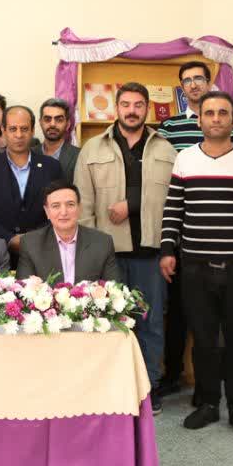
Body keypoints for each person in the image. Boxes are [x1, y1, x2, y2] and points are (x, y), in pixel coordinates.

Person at [160, 91, 233, 438]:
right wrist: (167, 250)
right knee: (204, 340)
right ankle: (208, 403)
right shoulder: (185, 159)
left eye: (223, 112)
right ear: (200, 120)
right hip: (195, 266)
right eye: (210, 113)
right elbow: (174, 209)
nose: (216, 118)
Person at [76, 82, 176, 413]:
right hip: (108, 256)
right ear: (116, 108)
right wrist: (88, 254)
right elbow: (84, 204)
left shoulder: (166, 150)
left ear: (147, 108)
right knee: (108, 323)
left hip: (151, 254)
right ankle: (109, 388)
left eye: (138, 105)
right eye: (126, 104)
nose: (132, 111)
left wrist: (168, 248)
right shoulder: (92, 149)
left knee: (151, 324)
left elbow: (175, 202)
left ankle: (149, 388)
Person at [155, 61, 233, 399]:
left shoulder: (229, 125)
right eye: (187, 80)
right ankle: (173, 373)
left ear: (208, 83)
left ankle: (214, 383)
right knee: (178, 310)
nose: (193, 84)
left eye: (199, 79)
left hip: (220, 234)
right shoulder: (169, 126)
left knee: (217, 316)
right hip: (182, 230)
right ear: (181, 88)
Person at [0, 106, 61, 264]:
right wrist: (10, 239)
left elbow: (59, 210)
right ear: (4, 130)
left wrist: (32, 239)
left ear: (32, 131)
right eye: (13, 129)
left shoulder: (52, 167)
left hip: (42, 252)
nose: (19, 135)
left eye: (24, 129)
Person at [17, 181, 120, 283]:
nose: (63, 212)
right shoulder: (30, 244)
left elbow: (114, 288)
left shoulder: (102, 243)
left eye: (70, 204)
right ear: (47, 211)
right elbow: (23, 289)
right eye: (56, 206)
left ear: (79, 208)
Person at [39, 98, 79, 182]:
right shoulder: (28, 154)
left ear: (68, 125)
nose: (52, 124)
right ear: (40, 123)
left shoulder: (79, 156)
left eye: (59, 120)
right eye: (47, 119)